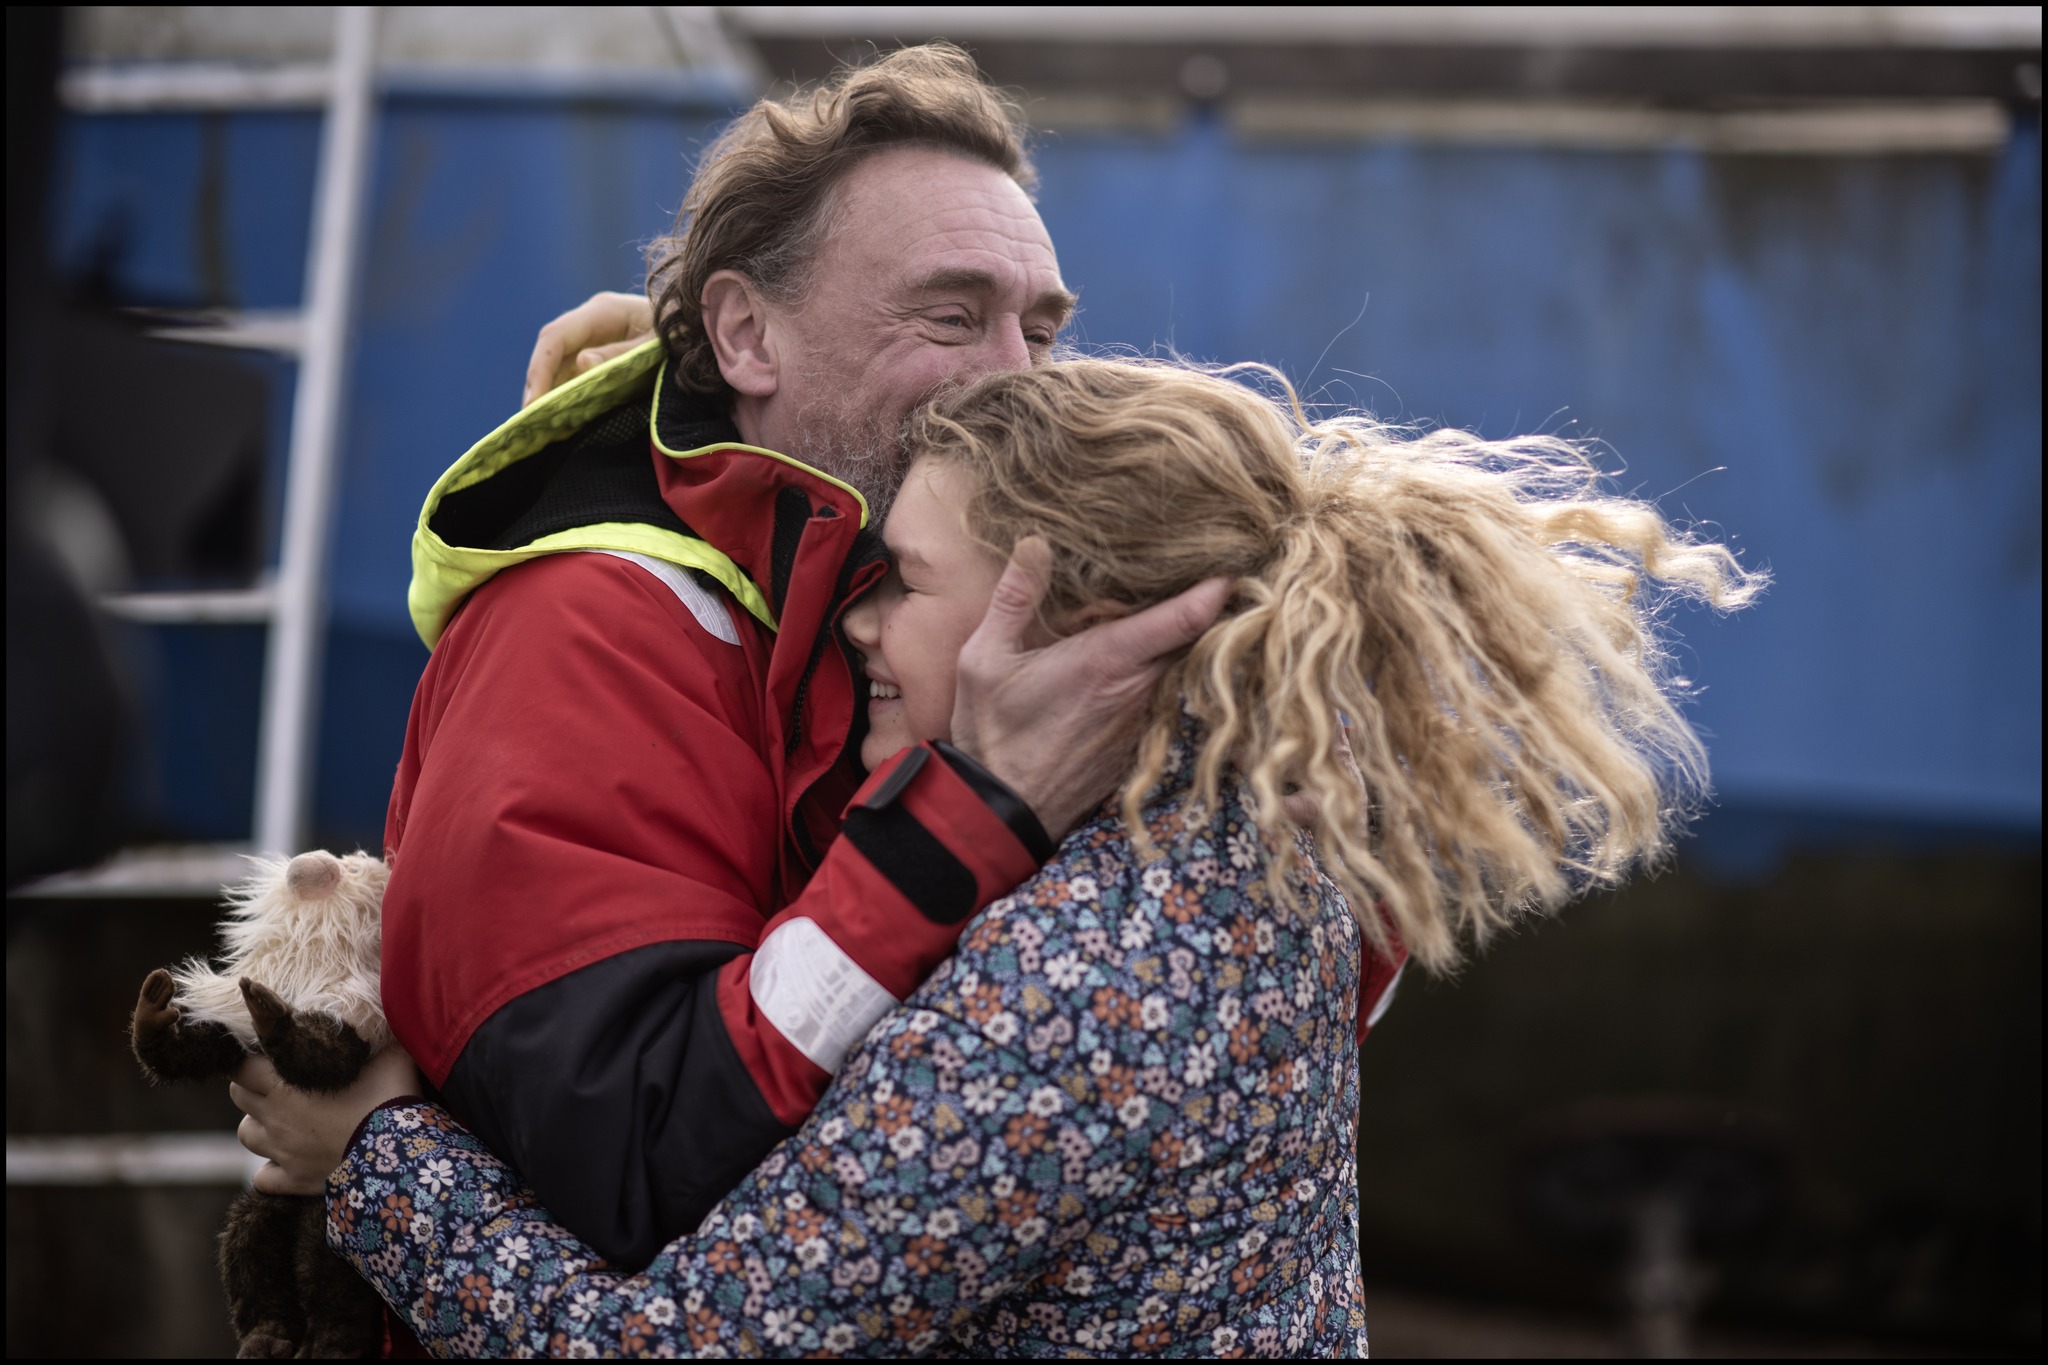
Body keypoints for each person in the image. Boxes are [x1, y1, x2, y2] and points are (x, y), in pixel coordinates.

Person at [236, 357, 1760, 1356]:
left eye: (904, 581)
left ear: (1078, 619)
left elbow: (682, 1350)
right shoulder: (1258, 860)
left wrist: (372, 1158)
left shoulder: (1094, 979)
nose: (855, 621)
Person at [305, 43, 1228, 1284]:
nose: (1017, 379)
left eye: (1041, 328)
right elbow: (623, 1159)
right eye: (951, 316)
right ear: (746, 334)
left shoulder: (907, 590)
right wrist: (970, 815)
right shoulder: (592, 627)